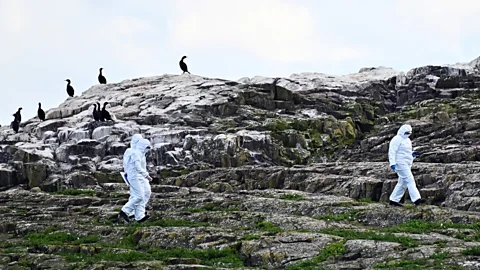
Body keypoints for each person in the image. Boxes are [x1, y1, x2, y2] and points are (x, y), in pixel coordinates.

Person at [388, 124, 426, 207]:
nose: (408, 134)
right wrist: (392, 163)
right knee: (410, 180)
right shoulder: (397, 139)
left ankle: (393, 200)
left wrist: (413, 155)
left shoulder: (408, 140)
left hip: (406, 163)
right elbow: (392, 151)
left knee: (402, 183)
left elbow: (406, 152)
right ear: (402, 131)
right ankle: (416, 199)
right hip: (399, 163)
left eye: (409, 133)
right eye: (406, 132)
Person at [119, 137, 152, 223]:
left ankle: (139, 215)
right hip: (135, 176)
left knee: (145, 193)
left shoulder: (141, 153)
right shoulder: (131, 152)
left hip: (141, 176)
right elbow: (129, 165)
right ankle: (129, 212)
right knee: (138, 195)